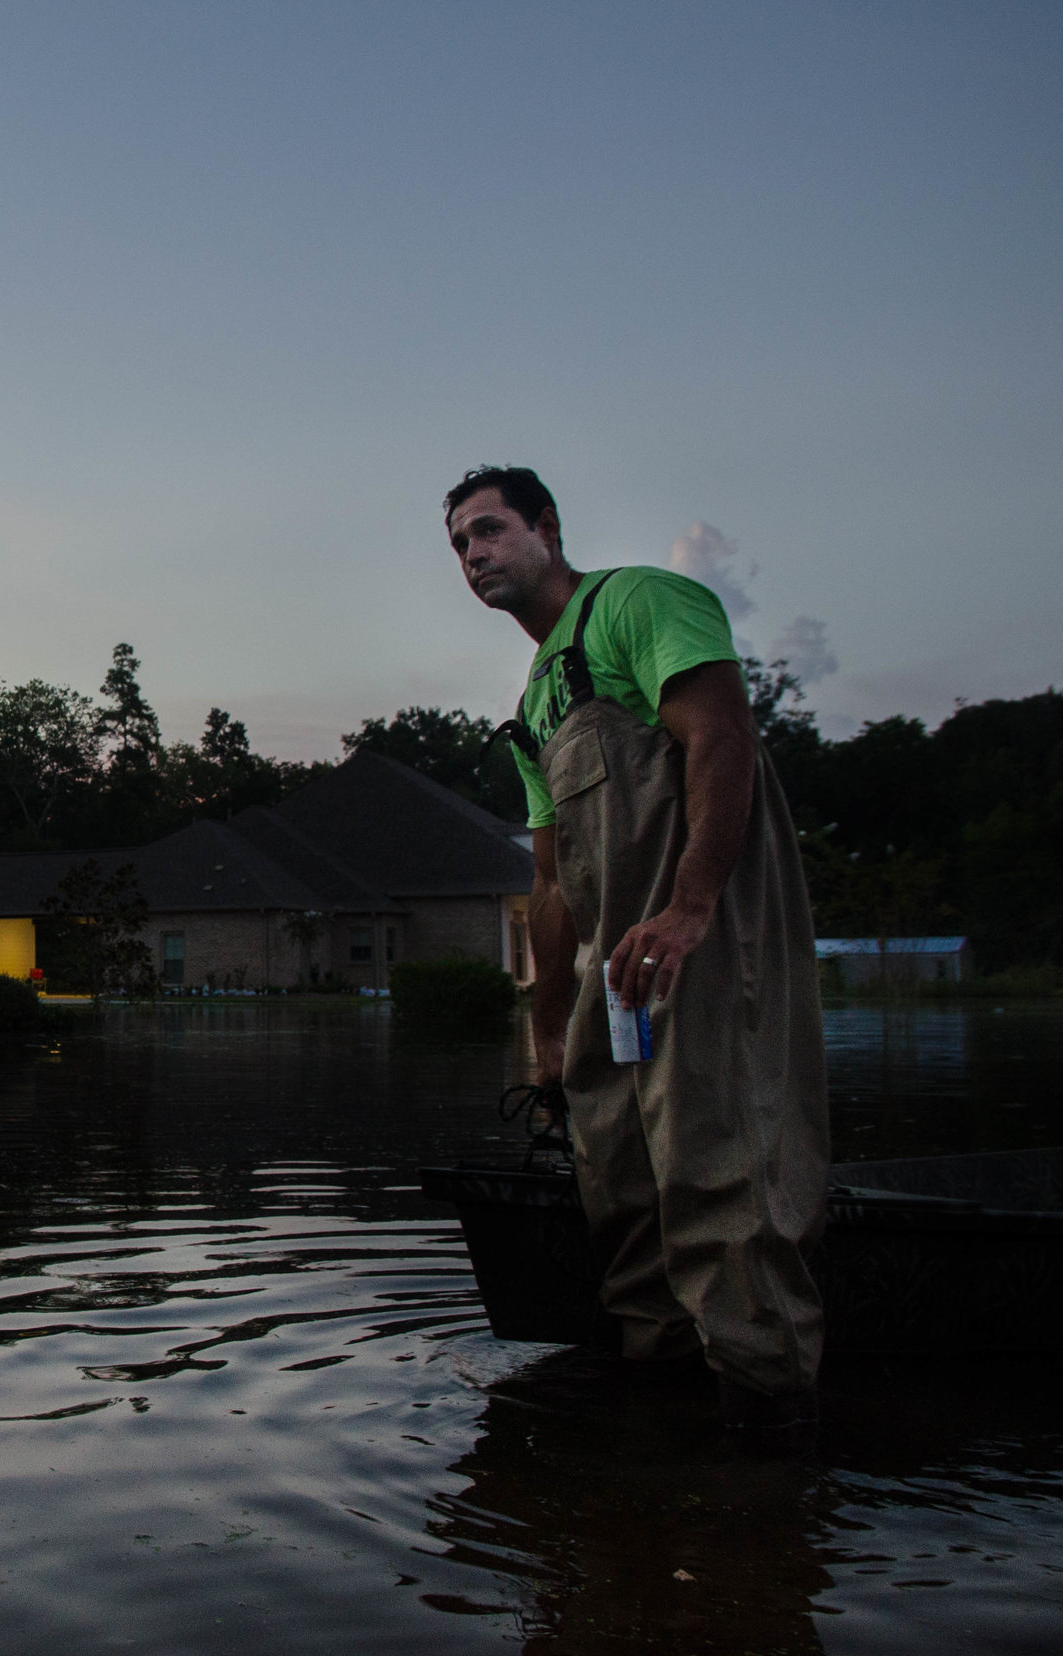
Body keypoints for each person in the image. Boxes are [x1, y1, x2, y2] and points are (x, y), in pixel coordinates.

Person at [445, 465, 826, 1429]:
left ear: (547, 527)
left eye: (489, 531)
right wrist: (547, 1036)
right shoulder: (535, 700)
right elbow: (549, 883)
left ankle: (766, 1430)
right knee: (616, 1176)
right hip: (612, 981)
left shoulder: (640, 604)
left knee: (713, 1168)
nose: (474, 555)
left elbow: (722, 736)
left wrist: (692, 905)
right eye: (459, 545)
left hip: (700, 949)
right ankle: (659, 1419)